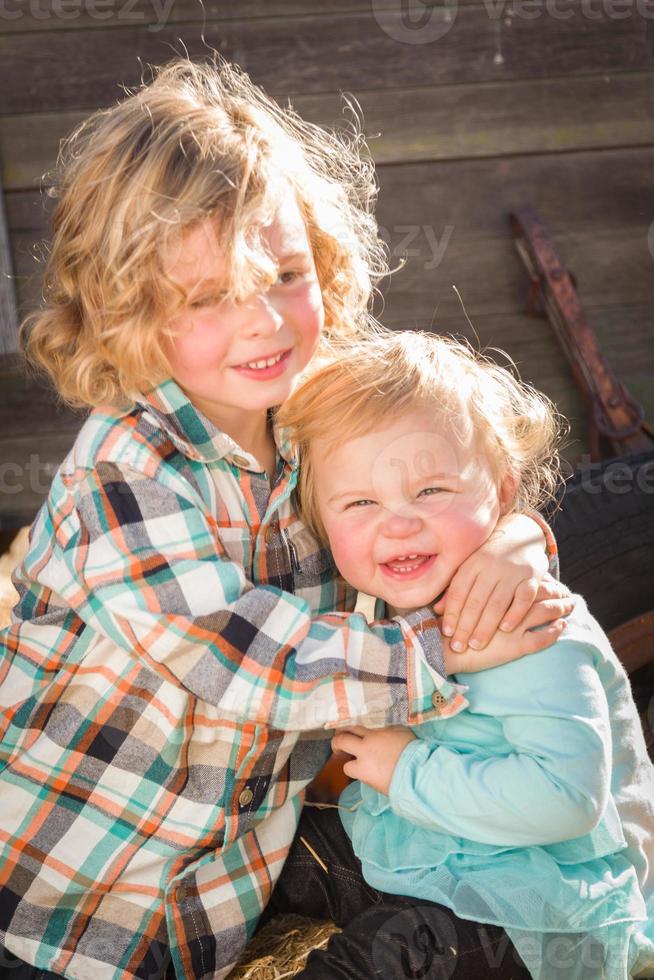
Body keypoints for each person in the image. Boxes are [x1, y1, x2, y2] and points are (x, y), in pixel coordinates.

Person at [0, 60, 572, 980]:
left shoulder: (326, 420)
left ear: (327, 258)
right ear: (123, 311)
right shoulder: (121, 475)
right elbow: (248, 661)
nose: (262, 323)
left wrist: (509, 541)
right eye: (208, 298)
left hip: (236, 874)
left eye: (285, 275)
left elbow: (446, 482)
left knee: (513, 887)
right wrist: (458, 645)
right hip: (71, 908)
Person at [272, 329, 654, 979]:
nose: (398, 522)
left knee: (375, 958)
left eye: (431, 492)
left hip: (533, 913)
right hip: (423, 857)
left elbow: (566, 799)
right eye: (360, 503)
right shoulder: (385, 604)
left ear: (501, 495)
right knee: (265, 864)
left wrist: (407, 771)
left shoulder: (528, 626)